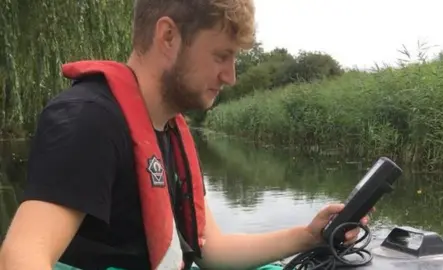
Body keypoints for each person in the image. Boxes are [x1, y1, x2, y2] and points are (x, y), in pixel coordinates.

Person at [0, 0, 372, 269]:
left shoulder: (170, 130)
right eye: (220, 56)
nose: (231, 76)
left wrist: (309, 236)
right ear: (168, 36)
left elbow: (212, 249)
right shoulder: (88, 120)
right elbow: (21, 256)